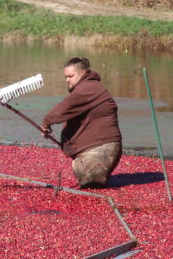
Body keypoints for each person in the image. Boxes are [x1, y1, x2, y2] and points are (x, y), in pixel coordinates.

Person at [42, 57, 122, 188]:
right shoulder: (90, 87)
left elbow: (64, 108)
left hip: (101, 149)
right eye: (65, 77)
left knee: (91, 185)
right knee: (86, 180)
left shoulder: (87, 89)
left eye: (70, 76)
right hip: (99, 146)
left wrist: (46, 122)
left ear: (82, 73)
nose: (67, 80)